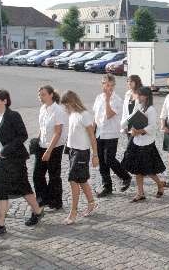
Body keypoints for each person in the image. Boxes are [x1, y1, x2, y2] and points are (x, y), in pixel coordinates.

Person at [0, 89, 44, 234]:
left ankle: (37, 211)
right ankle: (0, 224)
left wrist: (5, 150)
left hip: (15, 160)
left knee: (23, 187)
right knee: (1, 191)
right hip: (1, 161)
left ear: (5, 101)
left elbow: (22, 135)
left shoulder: (13, 115)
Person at [121, 87, 166, 202]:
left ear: (146, 96)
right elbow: (130, 119)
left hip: (147, 143)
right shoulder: (138, 106)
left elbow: (152, 127)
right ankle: (140, 193)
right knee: (137, 170)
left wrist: (139, 131)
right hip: (137, 142)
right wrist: (127, 128)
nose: (138, 97)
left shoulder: (151, 110)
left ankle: (160, 184)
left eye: (140, 95)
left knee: (149, 170)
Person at [60, 91, 99, 225]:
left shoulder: (85, 115)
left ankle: (73, 212)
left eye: (66, 105)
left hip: (82, 153)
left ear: (72, 102)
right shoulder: (72, 114)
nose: (65, 108)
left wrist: (95, 155)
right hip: (72, 151)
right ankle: (91, 203)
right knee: (82, 180)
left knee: (73, 180)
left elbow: (92, 136)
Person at [93, 74, 131, 198]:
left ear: (114, 86)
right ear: (102, 85)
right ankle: (107, 186)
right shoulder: (98, 97)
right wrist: (92, 132)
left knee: (109, 159)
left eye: (110, 85)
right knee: (102, 162)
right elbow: (96, 116)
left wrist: (107, 100)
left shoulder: (117, 100)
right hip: (99, 133)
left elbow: (109, 115)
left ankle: (125, 176)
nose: (108, 87)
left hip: (111, 133)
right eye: (105, 85)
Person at [33, 86, 67, 210]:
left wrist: (49, 150)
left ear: (51, 95)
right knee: (37, 175)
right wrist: (37, 140)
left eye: (43, 94)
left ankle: (56, 201)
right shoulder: (43, 108)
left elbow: (57, 133)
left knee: (54, 175)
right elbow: (42, 128)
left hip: (55, 146)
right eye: (39, 95)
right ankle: (43, 199)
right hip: (42, 144)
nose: (40, 97)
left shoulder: (58, 110)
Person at [120, 75, 143, 141]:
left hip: (138, 126)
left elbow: (139, 111)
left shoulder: (141, 94)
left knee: (135, 147)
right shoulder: (128, 93)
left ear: (136, 82)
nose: (129, 83)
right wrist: (124, 125)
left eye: (131, 81)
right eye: (128, 81)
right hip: (128, 125)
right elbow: (125, 111)